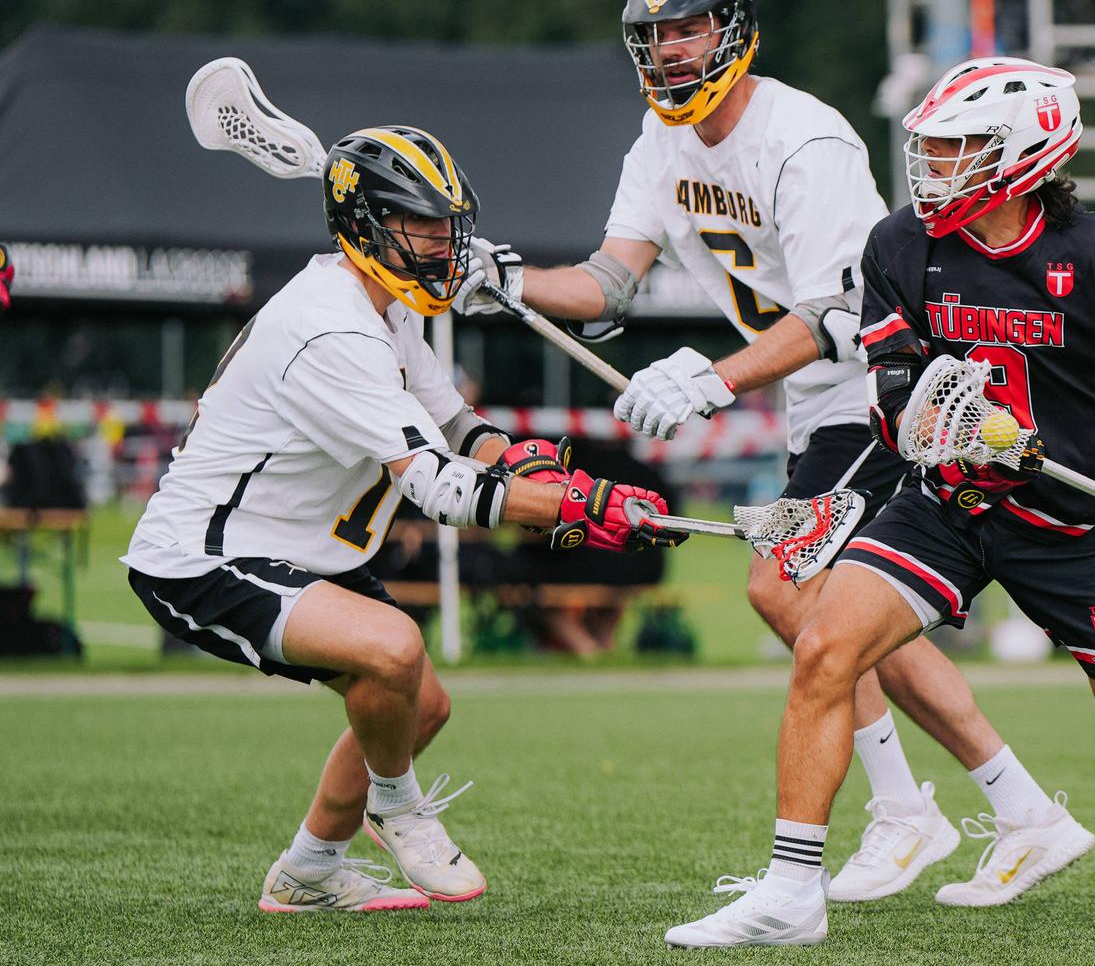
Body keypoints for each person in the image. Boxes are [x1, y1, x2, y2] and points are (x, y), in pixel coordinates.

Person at [662, 57, 1095, 948]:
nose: (932, 167)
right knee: (825, 650)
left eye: (955, 148)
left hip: (1069, 528)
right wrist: (936, 425)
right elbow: (893, 392)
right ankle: (792, 892)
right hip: (949, 508)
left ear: (1027, 151)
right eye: (929, 147)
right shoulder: (900, 245)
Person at [450, 0, 1087, 902]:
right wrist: (506, 280)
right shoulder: (659, 141)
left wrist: (711, 379)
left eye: (687, 29)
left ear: (734, 30)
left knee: (783, 587)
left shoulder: (805, 139)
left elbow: (841, 312)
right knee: (849, 617)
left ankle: (909, 814)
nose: (668, 51)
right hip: (815, 405)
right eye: (653, 36)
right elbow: (607, 284)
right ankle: (1021, 810)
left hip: (883, 389)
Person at [121, 126, 685, 912]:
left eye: (448, 224)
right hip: (209, 555)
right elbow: (437, 488)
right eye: (422, 224)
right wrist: (578, 509)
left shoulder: (387, 308)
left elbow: (456, 427)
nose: (444, 244)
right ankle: (397, 807)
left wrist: (530, 465)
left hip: (303, 549)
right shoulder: (330, 329)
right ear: (365, 227)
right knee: (393, 647)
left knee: (421, 704)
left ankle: (310, 873)